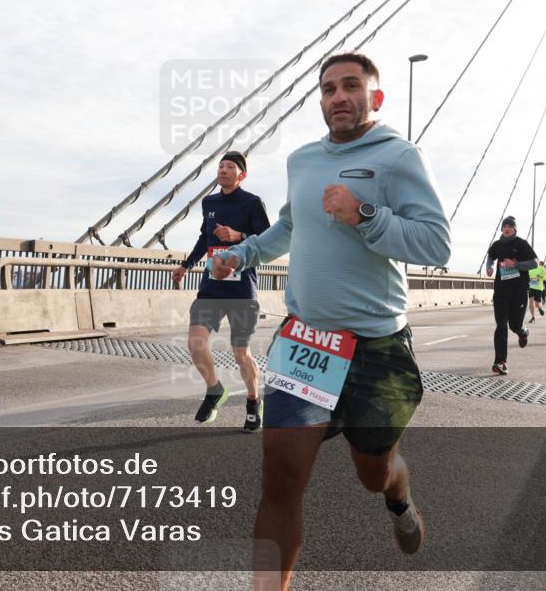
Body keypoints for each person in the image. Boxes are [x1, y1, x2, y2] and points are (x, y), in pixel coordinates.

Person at [211, 52, 450, 588]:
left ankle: (399, 494)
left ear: (374, 98)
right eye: (327, 89)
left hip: (376, 349)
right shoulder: (301, 160)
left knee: (374, 474)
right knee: (281, 479)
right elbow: (286, 230)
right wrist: (242, 254)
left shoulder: (400, 156)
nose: (337, 97)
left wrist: (365, 215)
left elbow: (436, 243)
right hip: (308, 341)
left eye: (350, 86)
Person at [172, 151, 270, 432]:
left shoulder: (252, 203)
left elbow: (267, 241)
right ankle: (214, 389)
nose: (224, 170)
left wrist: (238, 236)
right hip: (211, 285)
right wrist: (186, 266)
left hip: (242, 289)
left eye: (231, 167)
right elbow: (204, 238)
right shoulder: (209, 202)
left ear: (242, 175)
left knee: (241, 353)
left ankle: (253, 401)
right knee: (195, 342)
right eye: (221, 166)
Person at [485, 217, 536, 374]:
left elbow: (534, 263)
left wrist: (516, 265)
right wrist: (489, 267)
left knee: (514, 325)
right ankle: (500, 361)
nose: (506, 229)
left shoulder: (521, 244)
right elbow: (491, 257)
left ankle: (522, 332)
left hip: (519, 292)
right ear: (502, 229)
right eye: (504, 226)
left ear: (514, 229)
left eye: (510, 226)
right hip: (501, 291)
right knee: (501, 325)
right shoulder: (497, 245)